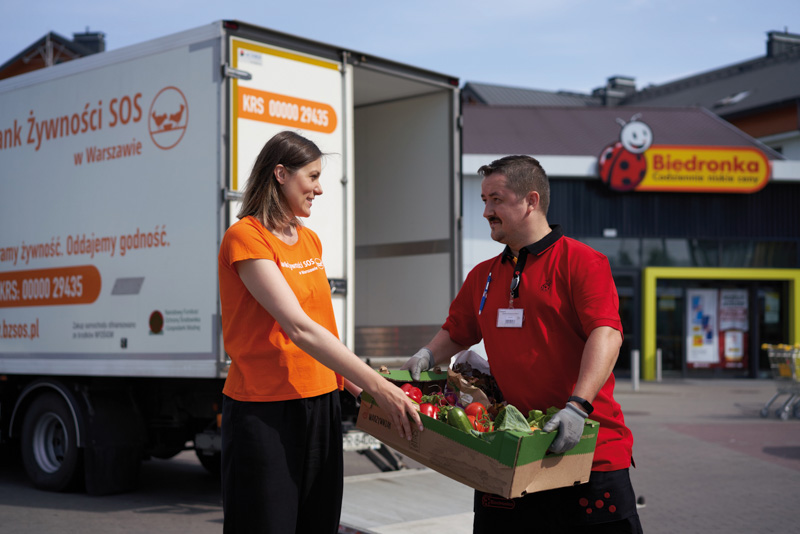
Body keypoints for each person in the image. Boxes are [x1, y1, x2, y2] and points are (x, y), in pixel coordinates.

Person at [402, 155, 642, 533]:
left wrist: (578, 406)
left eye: (495, 199)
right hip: (508, 451)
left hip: (586, 451)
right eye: (484, 201)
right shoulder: (482, 276)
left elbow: (607, 333)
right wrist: (428, 354)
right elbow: (459, 330)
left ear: (531, 201)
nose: (486, 211)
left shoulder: (581, 261)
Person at [218, 130, 422, 534]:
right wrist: (379, 387)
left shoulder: (309, 240)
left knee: (318, 523)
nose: (320, 188)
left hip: (321, 402)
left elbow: (324, 327)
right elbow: (298, 327)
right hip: (265, 410)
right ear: (280, 173)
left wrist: (361, 390)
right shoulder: (246, 237)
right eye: (311, 176)